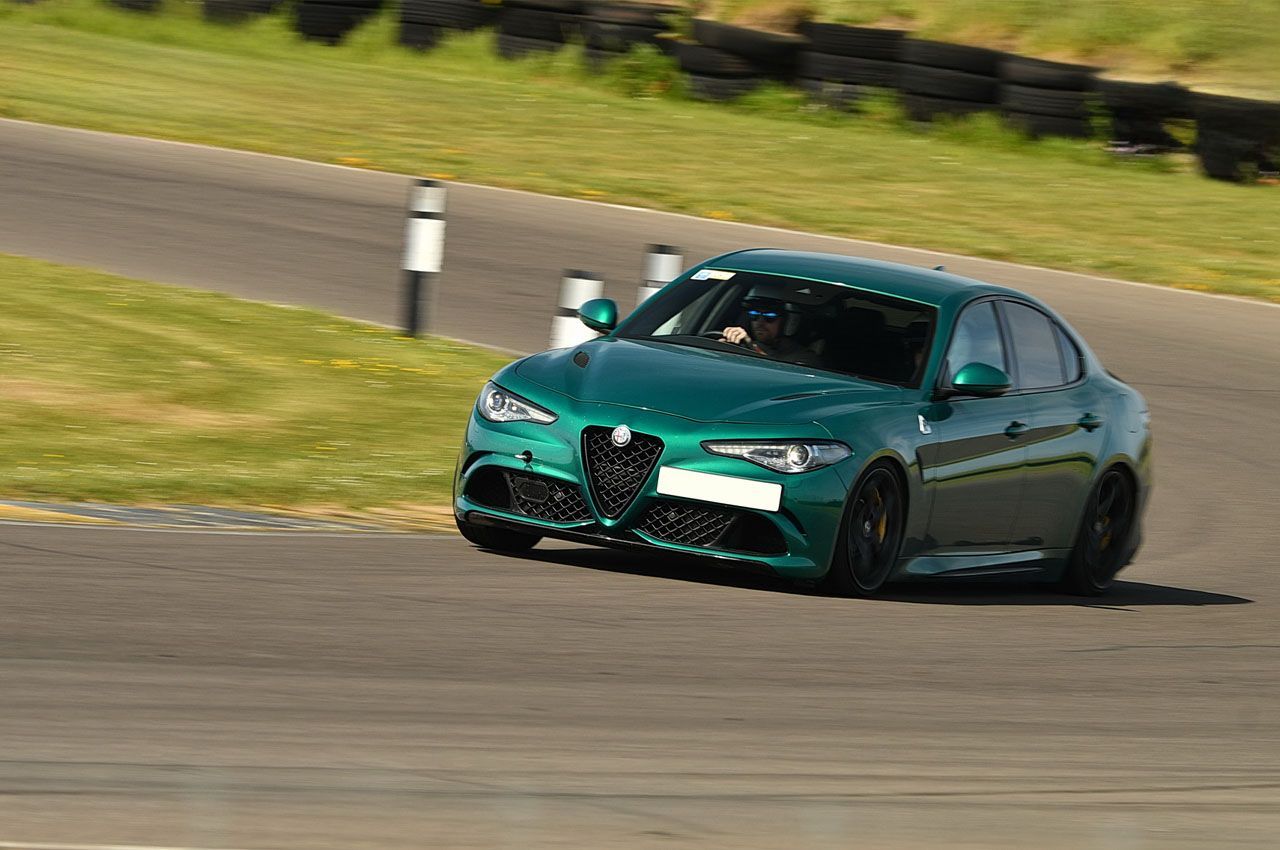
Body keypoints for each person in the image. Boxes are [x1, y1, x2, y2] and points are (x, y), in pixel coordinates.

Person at [719, 296, 821, 367]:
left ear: (787, 323)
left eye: (769, 317)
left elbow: (780, 374)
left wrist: (752, 348)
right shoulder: (743, 344)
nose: (759, 323)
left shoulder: (805, 357)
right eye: (754, 315)